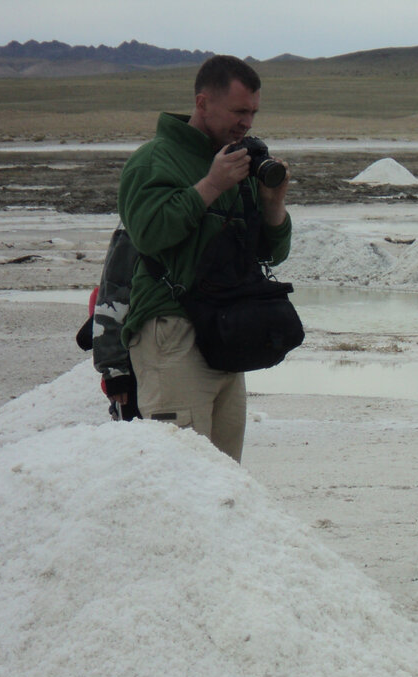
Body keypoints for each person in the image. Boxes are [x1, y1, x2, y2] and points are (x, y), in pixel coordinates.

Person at [116, 54, 291, 462]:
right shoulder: (153, 161)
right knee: (181, 471)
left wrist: (272, 207)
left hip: (227, 331)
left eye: (253, 112)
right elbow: (149, 232)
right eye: (238, 111)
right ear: (202, 103)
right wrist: (211, 185)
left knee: (224, 476)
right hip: (172, 330)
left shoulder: (237, 162)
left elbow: (272, 254)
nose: (247, 122)